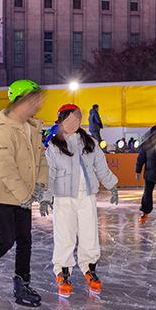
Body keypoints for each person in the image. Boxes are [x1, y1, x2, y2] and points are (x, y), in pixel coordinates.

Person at [0, 79, 48, 307]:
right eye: (32, 99)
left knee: (25, 239)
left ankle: (21, 284)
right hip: (2, 194)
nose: (36, 104)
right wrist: (23, 193)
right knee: (8, 239)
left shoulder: (33, 127)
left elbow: (41, 159)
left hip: (24, 193)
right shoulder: (3, 129)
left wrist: (39, 185)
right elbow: (4, 165)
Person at [44, 104, 117, 297]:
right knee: (64, 236)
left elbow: (101, 166)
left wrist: (112, 185)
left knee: (89, 234)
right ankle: (63, 272)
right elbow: (48, 174)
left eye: (77, 119)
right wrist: (44, 197)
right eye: (69, 119)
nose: (74, 123)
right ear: (60, 120)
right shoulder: (53, 144)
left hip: (87, 196)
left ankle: (90, 269)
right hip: (63, 197)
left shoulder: (89, 142)